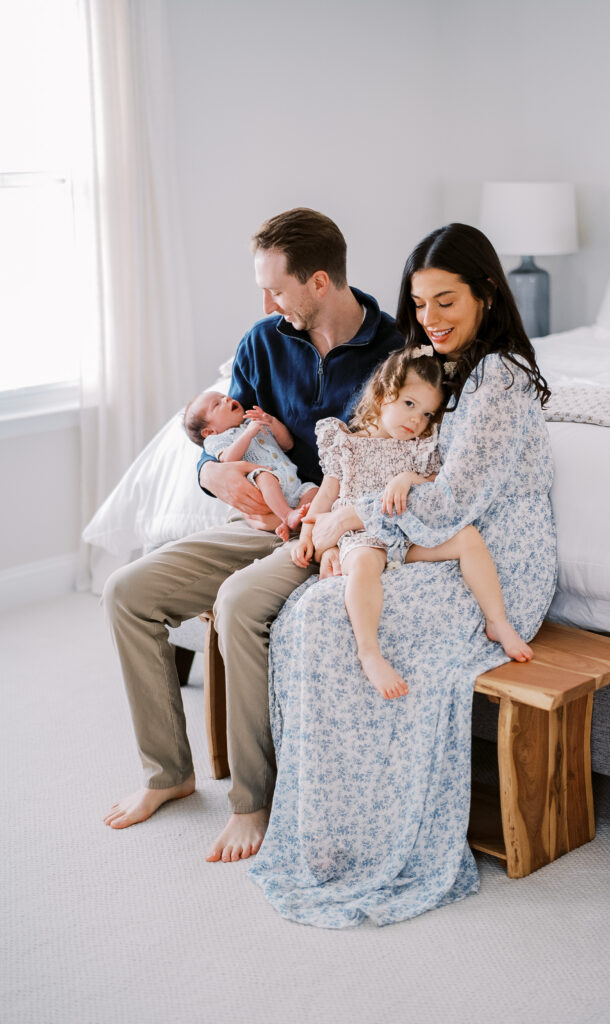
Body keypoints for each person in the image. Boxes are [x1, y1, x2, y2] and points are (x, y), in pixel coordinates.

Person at [248, 223, 557, 927]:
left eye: (446, 301)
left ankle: (374, 837)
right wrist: (357, 523)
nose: (431, 318)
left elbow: (452, 501)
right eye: (419, 304)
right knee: (318, 610)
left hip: (494, 560)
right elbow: (409, 474)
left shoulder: (500, 379)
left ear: (485, 294)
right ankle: (330, 832)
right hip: (436, 538)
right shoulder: (447, 369)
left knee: (333, 616)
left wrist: (351, 520)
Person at [102, 208, 403, 862]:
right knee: (127, 591)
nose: (267, 305)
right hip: (264, 521)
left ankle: (252, 801)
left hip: (335, 532)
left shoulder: (395, 351)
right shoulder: (262, 343)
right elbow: (219, 440)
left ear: (318, 281)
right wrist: (211, 475)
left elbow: (395, 459)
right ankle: (168, 773)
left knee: (238, 602)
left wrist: (324, 519)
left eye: (276, 289)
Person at [292, 346, 533, 700]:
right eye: (409, 404)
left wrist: (407, 478)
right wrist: (308, 537)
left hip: (406, 536)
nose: (416, 420)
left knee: (467, 538)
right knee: (364, 564)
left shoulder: (419, 447)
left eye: (426, 413)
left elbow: (438, 482)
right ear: (383, 394)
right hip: (361, 536)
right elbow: (325, 497)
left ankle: (497, 620)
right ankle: (369, 652)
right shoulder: (345, 444)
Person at [184, 391, 318, 540]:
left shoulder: (254, 422)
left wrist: (272, 422)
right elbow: (227, 460)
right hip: (262, 484)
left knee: (313, 490)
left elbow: (288, 444)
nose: (227, 399)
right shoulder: (217, 440)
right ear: (209, 431)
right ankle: (287, 515)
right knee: (265, 477)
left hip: (294, 485)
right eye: (217, 404)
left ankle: (290, 523)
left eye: (223, 396)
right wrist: (248, 434)